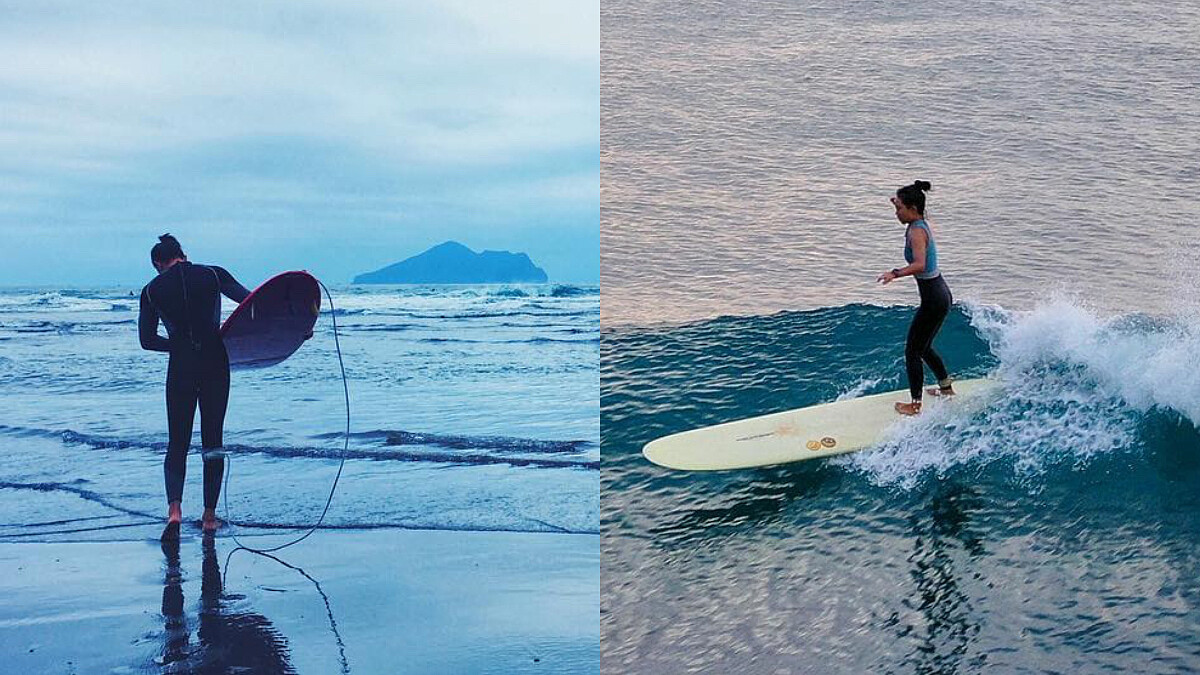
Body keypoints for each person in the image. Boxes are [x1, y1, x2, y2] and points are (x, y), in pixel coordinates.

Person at [139, 234, 250, 540]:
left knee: (178, 442)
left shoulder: (152, 290)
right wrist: (293, 327)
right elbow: (253, 305)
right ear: (184, 254)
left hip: (181, 367)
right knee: (212, 440)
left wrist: (176, 346)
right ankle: (210, 518)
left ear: (158, 264)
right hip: (215, 364)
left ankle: (174, 513)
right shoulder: (213, 274)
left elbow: (147, 341)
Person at [876, 180, 955, 416]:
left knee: (913, 350)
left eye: (899, 208)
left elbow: (919, 264)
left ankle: (915, 404)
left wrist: (895, 273)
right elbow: (908, 204)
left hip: (933, 298)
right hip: (939, 294)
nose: (896, 212)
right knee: (924, 346)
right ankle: (946, 389)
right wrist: (897, 199)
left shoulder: (917, 232)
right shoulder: (919, 220)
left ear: (912, 208)